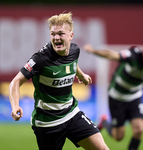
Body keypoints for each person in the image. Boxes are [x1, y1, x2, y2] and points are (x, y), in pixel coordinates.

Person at [9, 12, 109, 150]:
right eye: (53, 34)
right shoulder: (40, 59)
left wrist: (81, 75)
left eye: (61, 34)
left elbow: (72, 63)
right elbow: (15, 82)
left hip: (72, 113)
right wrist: (14, 106)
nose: (56, 38)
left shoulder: (75, 50)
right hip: (47, 123)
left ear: (71, 36)